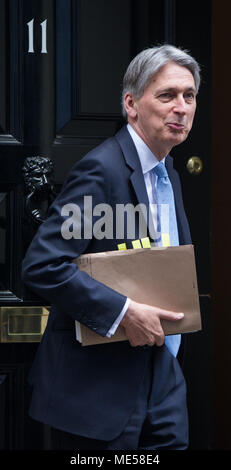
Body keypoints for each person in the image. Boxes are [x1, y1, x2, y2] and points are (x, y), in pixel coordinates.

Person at [22, 44, 200, 450]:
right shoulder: (100, 171)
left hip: (164, 376)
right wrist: (121, 313)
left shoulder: (167, 171)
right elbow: (44, 265)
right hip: (101, 389)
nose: (181, 107)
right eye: (167, 95)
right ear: (132, 104)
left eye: (189, 96)